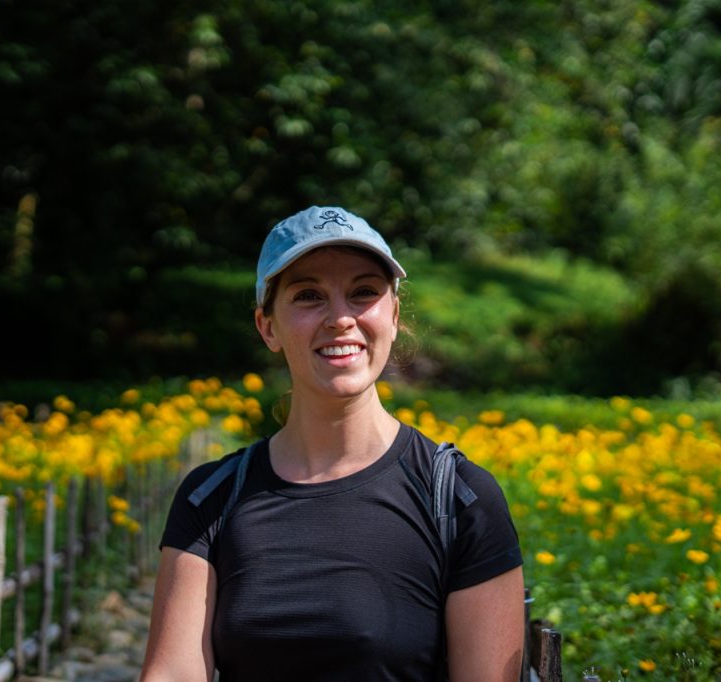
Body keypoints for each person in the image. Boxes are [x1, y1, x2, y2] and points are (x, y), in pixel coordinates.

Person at [141, 206, 524, 681]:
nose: (341, 318)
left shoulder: (460, 498)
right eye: (309, 296)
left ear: (394, 315)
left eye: (363, 292)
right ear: (267, 327)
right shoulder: (211, 498)